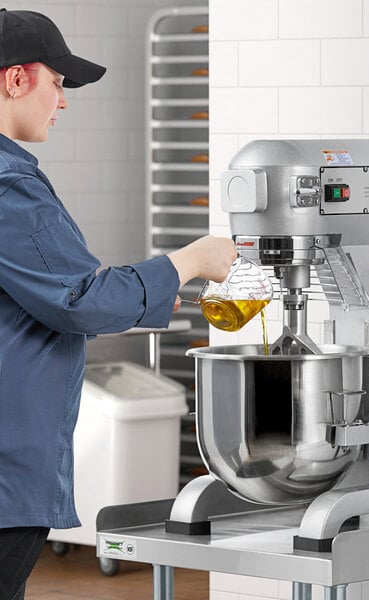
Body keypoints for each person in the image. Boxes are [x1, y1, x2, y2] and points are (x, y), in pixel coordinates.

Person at [0, 8, 236, 599]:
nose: (64, 100)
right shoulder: (10, 188)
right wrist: (192, 260)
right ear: (16, 80)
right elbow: (81, 299)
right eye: (58, 82)